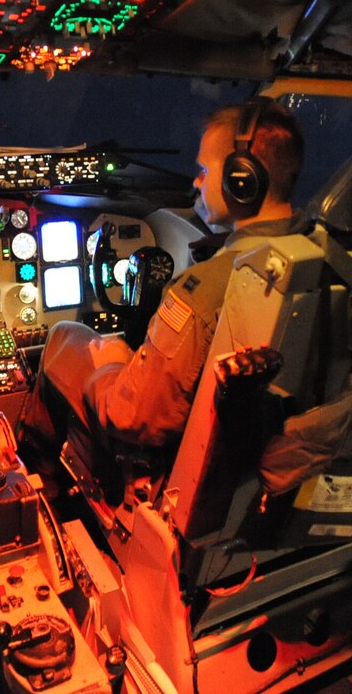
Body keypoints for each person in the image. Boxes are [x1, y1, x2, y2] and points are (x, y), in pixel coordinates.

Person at [23, 98, 308, 454]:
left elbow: (133, 419)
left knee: (65, 334)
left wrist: (111, 365)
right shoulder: (324, 260)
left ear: (242, 179)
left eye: (205, 169)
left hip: (158, 461)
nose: (196, 180)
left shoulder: (204, 291)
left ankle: (36, 475)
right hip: (248, 453)